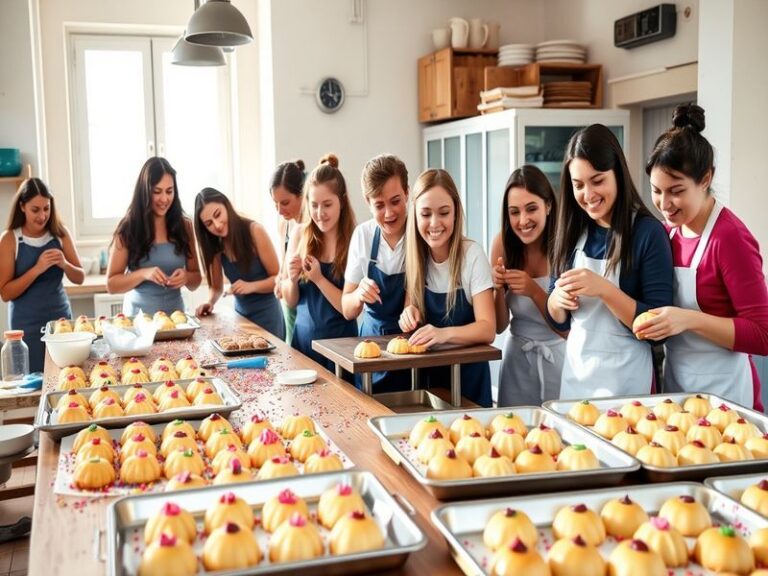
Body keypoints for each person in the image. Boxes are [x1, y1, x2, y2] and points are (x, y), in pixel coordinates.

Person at [635, 104, 768, 411]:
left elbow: (763, 335)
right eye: (656, 191)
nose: (664, 204)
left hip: (728, 395)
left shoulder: (729, 238)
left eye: (676, 191)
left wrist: (688, 319)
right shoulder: (666, 233)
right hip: (678, 388)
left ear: (706, 178)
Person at [546, 124, 673, 399]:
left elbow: (658, 329)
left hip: (628, 385)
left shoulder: (647, 233)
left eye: (598, 180)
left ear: (618, 173)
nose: (588, 194)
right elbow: (559, 321)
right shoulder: (570, 232)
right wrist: (556, 300)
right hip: (576, 381)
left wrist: (604, 290)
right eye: (579, 185)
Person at [399, 169, 495, 406]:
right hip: (429, 383)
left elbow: (488, 328)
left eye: (444, 213)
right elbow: (410, 308)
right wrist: (408, 315)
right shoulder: (416, 257)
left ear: (455, 213)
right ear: (415, 216)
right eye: (425, 214)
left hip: (469, 382)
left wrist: (443, 334)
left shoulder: (473, 255)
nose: (434, 223)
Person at [491, 165, 565, 406]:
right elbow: (499, 326)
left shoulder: (564, 247)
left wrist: (533, 291)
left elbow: (566, 330)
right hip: (516, 363)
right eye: (514, 212)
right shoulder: (502, 244)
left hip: (559, 360)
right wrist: (497, 288)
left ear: (548, 206)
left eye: (531, 209)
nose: (523, 221)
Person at [281, 154, 357, 377]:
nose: (320, 213)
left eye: (327, 205)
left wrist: (319, 279)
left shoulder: (354, 240)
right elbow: (290, 300)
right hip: (303, 344)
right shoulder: (299, 234)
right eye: (314, 205)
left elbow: (349, 310)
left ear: (342, 201)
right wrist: (292, 280)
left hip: (341, 348)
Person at [341, 154, 410, 392]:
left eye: (395, 201)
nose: (389, 213)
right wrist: (359, 294)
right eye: (379, 205)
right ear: (367, 202)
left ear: (407, 193)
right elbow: (347, 309)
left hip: (411, 347)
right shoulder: (363, 235)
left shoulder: (420, 232)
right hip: (371, 351)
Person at [0, 178, 84, 371]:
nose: (42, 215)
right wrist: (37, 269)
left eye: (46, 208)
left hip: (60, 322)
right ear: (22, 207)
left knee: (65, 375)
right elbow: (5, 293)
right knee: (32, 377)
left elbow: (79, 277)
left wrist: (64, 264)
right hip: (25, 326)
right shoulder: (10, 239)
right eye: (35, 210)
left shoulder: (60, 234)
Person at [106, 157, 201, 315]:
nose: (164, 199)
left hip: (175, 319)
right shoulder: (128, 228)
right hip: (138, 320)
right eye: (157, 192)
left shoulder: (185, 226)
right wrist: (144, 274)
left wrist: (186, 277)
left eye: (169, 191)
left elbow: (196, 280)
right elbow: (111, 285)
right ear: (144, 191)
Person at [194, 187, 285, 339]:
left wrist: (251, 286)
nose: (217, 225)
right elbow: (216, 287)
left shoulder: (255, 230)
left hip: (268, 317)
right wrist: (210, 302)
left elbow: (278, 279)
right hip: (241, 318)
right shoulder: (215, 245)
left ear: (227, 205)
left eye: (218, 214)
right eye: (209, 223)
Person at [270, 160, 305, 343]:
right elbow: (284, 266)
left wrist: (285, 282)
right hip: (288, 305)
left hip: (304, 306)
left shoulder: (310, 227)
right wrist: (279, 279)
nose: (279, 210)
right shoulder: (284, 224)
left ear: (302, 195)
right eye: (275, 203)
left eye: (285, 203)